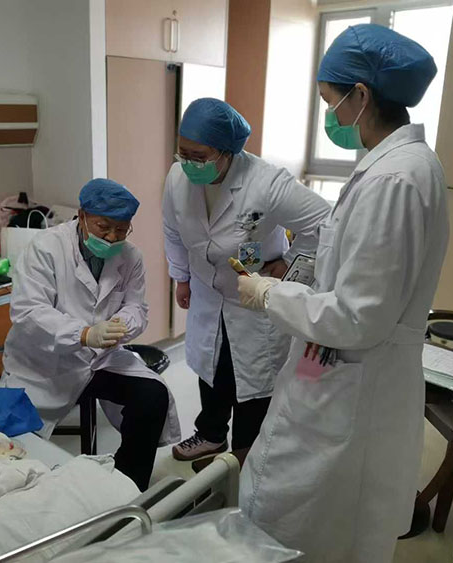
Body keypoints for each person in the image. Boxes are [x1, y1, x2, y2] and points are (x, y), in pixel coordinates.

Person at [237, 24, 448, 562]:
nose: (329, 115)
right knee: (311, 504)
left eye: (330, 101)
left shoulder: (393, 181)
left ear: (361, 95)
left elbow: (359, 317)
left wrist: (269, 294)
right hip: (334, 366)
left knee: (295, 510)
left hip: (350, 378)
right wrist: (303, 277)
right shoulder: (394, 168)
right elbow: (358, 272)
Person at [163, 98, 330, 462]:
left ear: (226, 153)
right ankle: (210, 435)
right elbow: (172, 231)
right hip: (208, 293)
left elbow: (325, 223)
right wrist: (181, 277)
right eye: (183, 153)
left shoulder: (265, 182)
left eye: (198, 156)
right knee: (211, 368)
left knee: (253, 380)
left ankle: (246, 456)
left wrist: (289, 263)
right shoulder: (177, 179)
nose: (188, 163)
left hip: (253, 298)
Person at [0, 179, 180, 491]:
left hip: (101, 358)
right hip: (44, 362)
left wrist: (121, 324)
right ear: (82, 216)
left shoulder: (130, 257)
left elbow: (137, 307)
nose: (112, 237)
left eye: (121, 229)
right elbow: (28, 311)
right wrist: (83, 334)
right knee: (16, 450)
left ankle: (126, 487)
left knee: (153, 396)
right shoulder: (46, 248)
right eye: (103, 227)